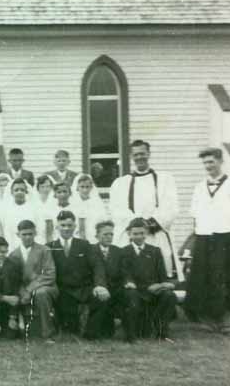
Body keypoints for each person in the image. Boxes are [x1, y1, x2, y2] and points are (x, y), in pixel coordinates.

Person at [185, 147, 230, 334]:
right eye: (205, 163)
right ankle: (207, 319)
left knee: (226, 278)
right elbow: (195, 215)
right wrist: (197, 237)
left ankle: (227, 319)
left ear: (221, 162)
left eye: (211, 162)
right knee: (203, 278)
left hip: (226, 237)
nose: (208, 166)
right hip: (205, 237)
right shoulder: (199, 187)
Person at [109, 140, 183, 281]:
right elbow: (116, 209)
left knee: (158, 271)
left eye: (142, 153)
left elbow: (171, 207)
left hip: (156, 233)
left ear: (149, 154)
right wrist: (136, 225)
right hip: (131, 235)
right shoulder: (121, 183)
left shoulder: (165, 179)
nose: (139, 157)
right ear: (131, 156)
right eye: (136, 154)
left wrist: (151, 224)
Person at [48, 210, 110, 339]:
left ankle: (91, 334)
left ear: (75, 227)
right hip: (62, 290)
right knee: (71, 328)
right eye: (63, 225)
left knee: (101, 299)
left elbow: (97, 266)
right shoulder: (50, 247)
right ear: (57, 227)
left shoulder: (84, 245)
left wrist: (100, 286)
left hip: (83, 288)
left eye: (69, 225)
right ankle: (70, 331)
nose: (66, 228)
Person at [120, 218, 177, 341]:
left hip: (154, 289)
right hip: (135, 289)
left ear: (146, 233)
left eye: (142, 233)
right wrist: (135, 285)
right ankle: (132, 334)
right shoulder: (124, 252)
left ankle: (162, 331)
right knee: (131, 295)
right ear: (129, 234)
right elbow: (125, 275)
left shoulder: (155, 251)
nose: (139, 236)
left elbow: (162, 276)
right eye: (135, 234)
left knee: (169, 295)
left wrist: (162, 285)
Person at [10, 220, 58, 342]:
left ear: (35, 233)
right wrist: (22, 291)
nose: (27, 237)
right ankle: (15, 330)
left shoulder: (44, 250)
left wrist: (29, 290)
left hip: (45, 286)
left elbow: (49, 274)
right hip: (23, 290)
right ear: (18, 234)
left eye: (30, 234)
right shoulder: (13, 254)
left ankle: (48, 334)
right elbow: (14, 279)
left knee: (40, 294)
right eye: (24, 234)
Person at [92, 221, 126, 340]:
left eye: (111, 234)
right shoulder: (90, 250)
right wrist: (98, 287)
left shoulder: (119, 252)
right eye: (105, 234)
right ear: (97, 235)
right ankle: (97, 332)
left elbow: (124, 272)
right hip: (96, 287)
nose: (109, 237)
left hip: (115, 288)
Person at [0, 178, 40, 250]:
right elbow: (3, 230)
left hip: (31, 245)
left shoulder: (33, 209)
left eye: (22, 190)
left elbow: (38, 230)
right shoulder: (5, 210)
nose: (19, 192)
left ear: (26, 191)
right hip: (11, 244)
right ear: (12, 192)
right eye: (16, 190)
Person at [71, 174, 108, 242]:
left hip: (93, 237)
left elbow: (102, 220)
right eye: (82, 187)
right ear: (77, 187)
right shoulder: (72, 203)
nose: (85, 190)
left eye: (87, 187)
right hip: (76, 236)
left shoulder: (97, 202)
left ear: (91, 187)